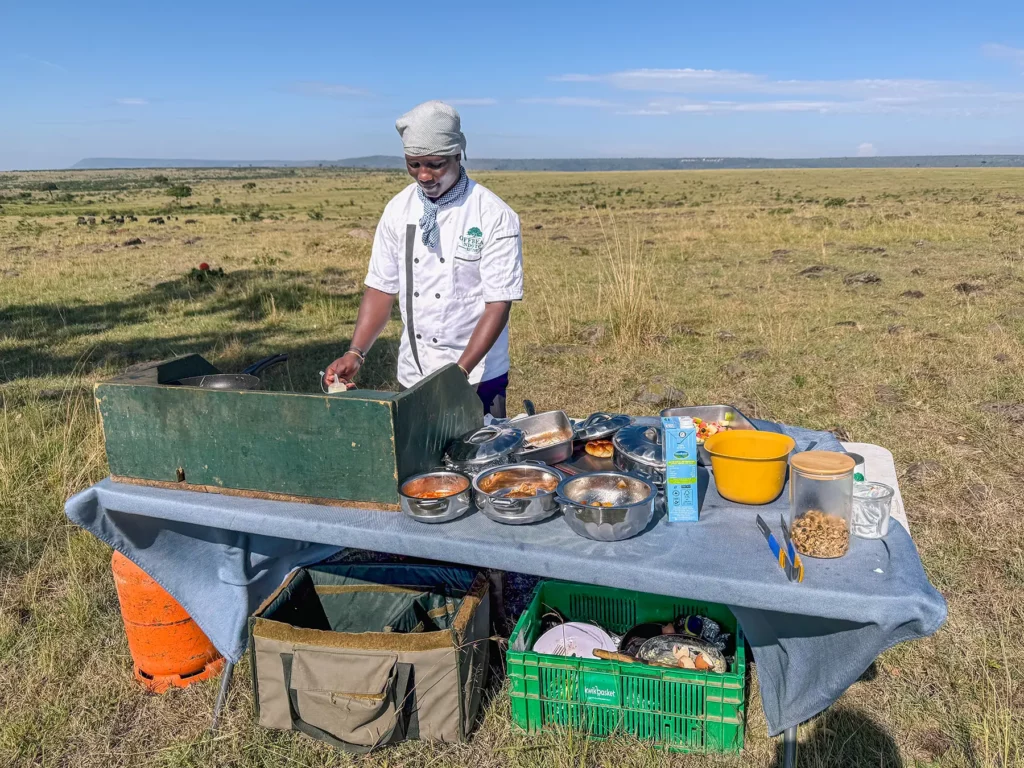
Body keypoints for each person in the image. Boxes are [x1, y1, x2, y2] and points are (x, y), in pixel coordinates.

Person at [324, 100, 523, 418]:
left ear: (458, 154)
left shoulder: (493, 215)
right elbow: (381, 288)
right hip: (414, 375)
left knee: (480, 463)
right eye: (414, 164)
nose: (425, 175)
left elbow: (498, 304)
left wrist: (458, 375)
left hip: (476, 375)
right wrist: (356, 352)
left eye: (435, 163)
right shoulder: (398, 210)